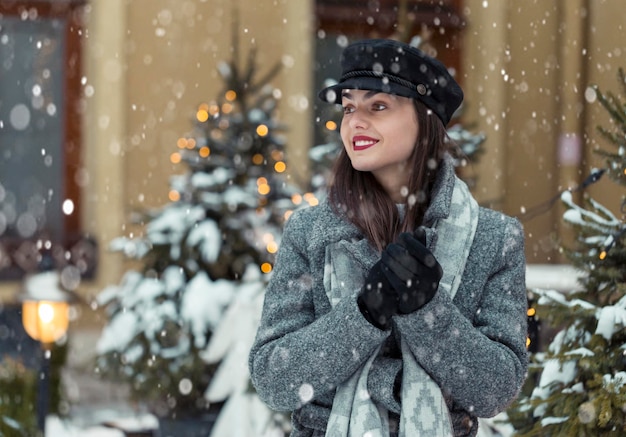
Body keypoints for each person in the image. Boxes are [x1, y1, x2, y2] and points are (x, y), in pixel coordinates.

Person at [249, 38, 528, 437]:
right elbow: (274, 379)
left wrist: (428, 312)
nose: (355, 122)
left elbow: (496, 390)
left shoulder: (495, 238)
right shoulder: (309, 232)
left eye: (377, 106)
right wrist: (364, 313)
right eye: (348, 107)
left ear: (425, 118)